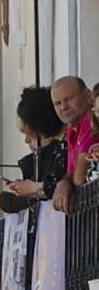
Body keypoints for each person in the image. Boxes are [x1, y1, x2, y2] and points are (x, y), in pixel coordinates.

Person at [0, 86, 67, 212]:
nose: (26, 140)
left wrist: (1, 199)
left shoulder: (59, 155)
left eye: (29, 134)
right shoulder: (55, 154)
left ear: (39, 130)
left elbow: (38, 200)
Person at [50, 73, 96, 211]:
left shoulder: (92, 120)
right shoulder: (71, 131)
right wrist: (64, 182)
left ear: (88, 95)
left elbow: (78, 178)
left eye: (68, 99)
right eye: (58, 103)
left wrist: (66, 182)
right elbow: (72, 174)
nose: (63, 107)